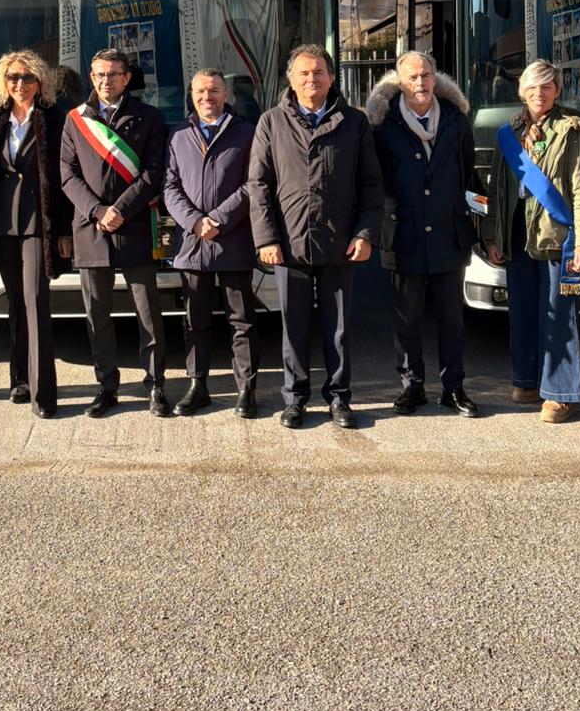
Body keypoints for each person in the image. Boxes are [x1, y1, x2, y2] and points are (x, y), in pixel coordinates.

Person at [248, 44, 382, 429]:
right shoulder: (271, 122)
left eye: (319, 72)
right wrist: (266, 239)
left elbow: (371, 184)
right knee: (294, 327)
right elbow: (258, 185)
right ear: (290, 79)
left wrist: (365, 233)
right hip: (289, 244)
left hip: (340, 243)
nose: (312, 79)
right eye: (304, 73)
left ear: (331, 77)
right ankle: (295, 399)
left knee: (338, 329)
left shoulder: (354, 122)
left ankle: (339, 398)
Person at [484, 59, 580, 424]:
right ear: (521, 92)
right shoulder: (508, 132)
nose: (539, 93)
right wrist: (491, 235)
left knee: (559, 316)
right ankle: (527, 381)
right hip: (516, 231)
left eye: (547, 86)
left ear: (557, 90)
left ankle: (561, 394)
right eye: (532, 87)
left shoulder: (571, 129)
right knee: (522, 311)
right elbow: (496, 191)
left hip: (555, 233)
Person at [367, 51, 479, 418]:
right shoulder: (383, 125)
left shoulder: (456, 120)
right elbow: (375, 180)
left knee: (452, 320)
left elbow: (467, 174)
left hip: (448, 232)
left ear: (435, 78)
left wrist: (476, 222)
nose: (420, 83)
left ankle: (453, 387)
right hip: (404, 234)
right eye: (412, 77)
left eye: (426, 75)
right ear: (399, 82)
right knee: (407, 319)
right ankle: (412, 386)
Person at [60, 47, 169, 418]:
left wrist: (119, 210)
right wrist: (97, 211)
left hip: (134, 225)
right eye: (100, 74)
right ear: (92, 78)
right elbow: (67, 175)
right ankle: (106, 386)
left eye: (113, 74)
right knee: (97, 315)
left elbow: (153, 173)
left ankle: (156, 385)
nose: (106, 80)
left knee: (148, 314)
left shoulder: (149, 117)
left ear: (126, 78)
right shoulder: (75, 120)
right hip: (91, 228)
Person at [0, 50, 73, 419]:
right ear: (3, 82)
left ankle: (44, 395)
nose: (20, 84)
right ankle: (20, 378)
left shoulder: (56, 120)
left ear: (40, 82)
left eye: (27, 77)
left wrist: (64, 229)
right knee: (16, 304)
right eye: (13, 77)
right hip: (0, 226)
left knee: (36, 301)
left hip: (39, 225)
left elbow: (66, 179)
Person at [163, 68, 259, 419]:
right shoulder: (178, 135)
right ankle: (198, 386)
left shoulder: (247, 133)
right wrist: (194, 221)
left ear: (226, 94)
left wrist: (217, 219)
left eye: (214, 90)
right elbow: (169, 187)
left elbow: (253, 184)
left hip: (233, 239)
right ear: (192, 95)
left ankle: (246, 389)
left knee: (242, 320)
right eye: (200, 91)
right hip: (192, 244)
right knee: (195, 320)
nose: (207, 97)